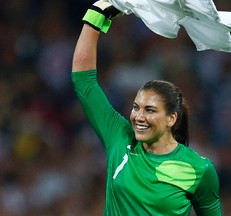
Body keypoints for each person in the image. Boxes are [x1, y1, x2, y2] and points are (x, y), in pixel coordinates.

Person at [71, 0, 222, 215]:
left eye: (150, 110)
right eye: (136, 107)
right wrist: (95, 16)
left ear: (172, 118)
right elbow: (84, 82)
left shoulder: (200, 169)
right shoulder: (119, 138)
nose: (138, 117)